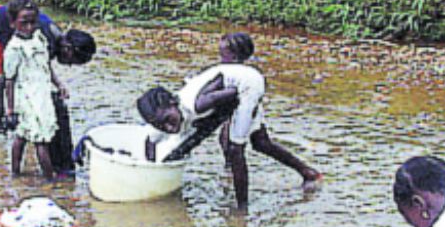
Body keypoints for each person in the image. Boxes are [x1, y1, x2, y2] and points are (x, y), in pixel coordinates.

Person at [136, 32, 322, 210]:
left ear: (173, 103)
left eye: (169, 121)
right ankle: (308, 173)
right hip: (230, 84)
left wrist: (222, 118)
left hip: (245, 86)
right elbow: (149, 142)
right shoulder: (161, 117)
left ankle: (242, 209)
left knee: (235, 148)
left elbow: (233, 94)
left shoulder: (199, 104)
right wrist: (152, 173)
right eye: (162, 126)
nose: (169, 128)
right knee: (260, 142)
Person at [0, 0, 96, 174]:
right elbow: (15, 77)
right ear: (67, 49)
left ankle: (22, 134)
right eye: (72, 61)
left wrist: (57, 86)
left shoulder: (49, 38)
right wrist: (13, 110)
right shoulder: (44, 37)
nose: (69, 65)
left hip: (3, 17)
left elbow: (41, 69)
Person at [2, 0, 65, 179]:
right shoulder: (14, 49)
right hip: (27, 98)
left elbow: (46, 66)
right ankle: (49, 178)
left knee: (23, 135)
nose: (29, 27)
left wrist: (59, 84)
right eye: (24, 23)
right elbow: (9, 80)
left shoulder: (39, 39)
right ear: (13, 23)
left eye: (33, 22)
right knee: (39, 139)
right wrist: (10, 109)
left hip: (42, 95)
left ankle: (16, 173)